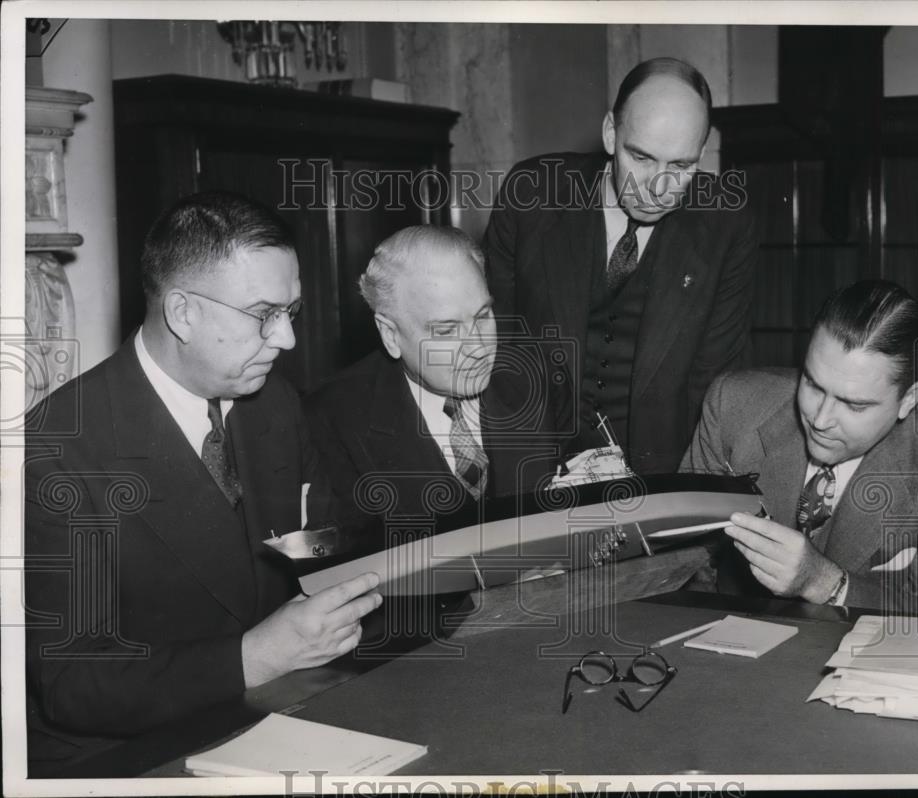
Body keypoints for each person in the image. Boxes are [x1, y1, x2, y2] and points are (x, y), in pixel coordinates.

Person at [24, 192, 381, 770]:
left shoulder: (274, 404)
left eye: (291, 311)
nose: (286, 340)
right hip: (126, 755)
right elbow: (73, 684)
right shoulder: (56, 451)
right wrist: (256, 655)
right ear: (182, 312)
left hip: (279, 711)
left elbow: (320, 546)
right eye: (264, 313)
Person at [483, 56, 757, 476]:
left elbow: (715, 383)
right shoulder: (531, 197)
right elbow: (496, 349)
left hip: (661, 474)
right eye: (642, 158)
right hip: (535, 465)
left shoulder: (727, 224)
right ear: (611, 133)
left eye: (681, 166)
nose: (658, 187)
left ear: (702, 153)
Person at [681, 280, 918, 616]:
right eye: (813, 384)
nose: (820, 420)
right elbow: (685, 557)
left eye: (854, 405)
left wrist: (824, 582)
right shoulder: (733, 405)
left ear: (909, 400)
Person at [305, 225, 559, 536]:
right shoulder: (331, 419)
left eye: (482, 316)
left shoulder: (532, 379)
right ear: (390, 334)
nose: (479, 348)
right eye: (446, 330)